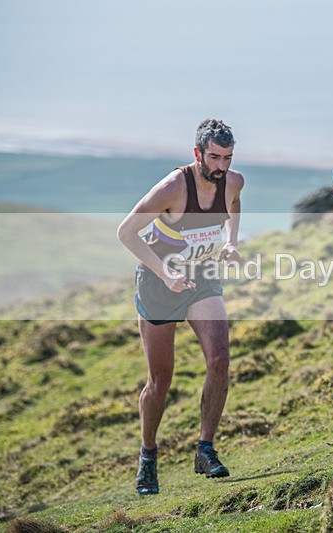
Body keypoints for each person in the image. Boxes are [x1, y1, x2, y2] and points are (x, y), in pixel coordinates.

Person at [117, 119, 244, 494]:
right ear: (197, 153)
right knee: (160, 381)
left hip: (201, 278)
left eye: (227, 158)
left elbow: (234, 204)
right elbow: (127, 232)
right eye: (214, 157)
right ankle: (148, 456)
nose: (221, 166)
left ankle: (205, 449)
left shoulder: (233, 182)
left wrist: (232, 242)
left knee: (219, 360)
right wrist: (165, 273)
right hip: (158, 283)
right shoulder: (173, 187)